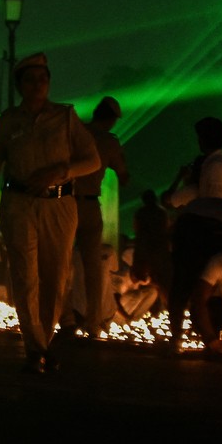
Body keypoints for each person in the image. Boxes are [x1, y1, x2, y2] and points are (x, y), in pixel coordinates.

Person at [0, 52, 99, 374]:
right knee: (25, 276)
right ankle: (36, 347)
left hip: (60, 204)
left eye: (43, 79)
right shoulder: (9, 121)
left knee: (56, 276)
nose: (38, 85)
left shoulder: (65, 117)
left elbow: (92, 159)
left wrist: (61, 172)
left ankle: (43, 341)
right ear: (20, 84)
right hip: (19, 204)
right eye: (31, 79)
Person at [72, 97, 128, 337]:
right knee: (93, 267)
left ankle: (60, 316)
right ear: (113, 119)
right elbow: (123, 174)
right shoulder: (109, 142)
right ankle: (93, 322)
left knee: (60, 262)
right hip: (90, 204)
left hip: (64, 203)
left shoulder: (75, 133)